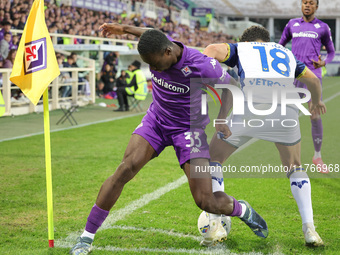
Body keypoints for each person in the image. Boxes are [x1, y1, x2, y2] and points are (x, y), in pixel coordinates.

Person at [69, 24, 269, 255]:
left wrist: (222, 120)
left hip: (189, 129)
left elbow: (231, 87)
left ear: (168, 52)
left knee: (206, 201)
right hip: (157, 120)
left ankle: (242, 210)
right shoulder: (158, 45)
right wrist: (122, 29)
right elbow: (148, 32)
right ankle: (86, 238)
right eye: (149, 65)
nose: (153, 68)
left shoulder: (201, 65)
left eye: (154, 63)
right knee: (125, 169)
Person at [203, 25, 326, 247]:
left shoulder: (242, 49)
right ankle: (310, 230)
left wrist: (203, 69)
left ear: (245, 40)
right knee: (295, 167)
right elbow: (314, 81)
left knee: (213, 160)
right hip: (285, 112)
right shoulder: (286, 54)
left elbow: (212, 49)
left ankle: (216, 222)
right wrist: (316, 102)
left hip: (249, 110)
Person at [279, 0, 335, 173]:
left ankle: (317, 156)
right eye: (305, 2)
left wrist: (324, 62)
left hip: (312, 74)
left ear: (316, 7)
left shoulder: (323, 27)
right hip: (293, 73)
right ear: (301, 5)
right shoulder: (291, 24)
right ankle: (292, 157)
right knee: (289, 115)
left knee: (315, 114)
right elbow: (280, 45)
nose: (307, 5)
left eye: (311, 3)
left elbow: (331, 51)